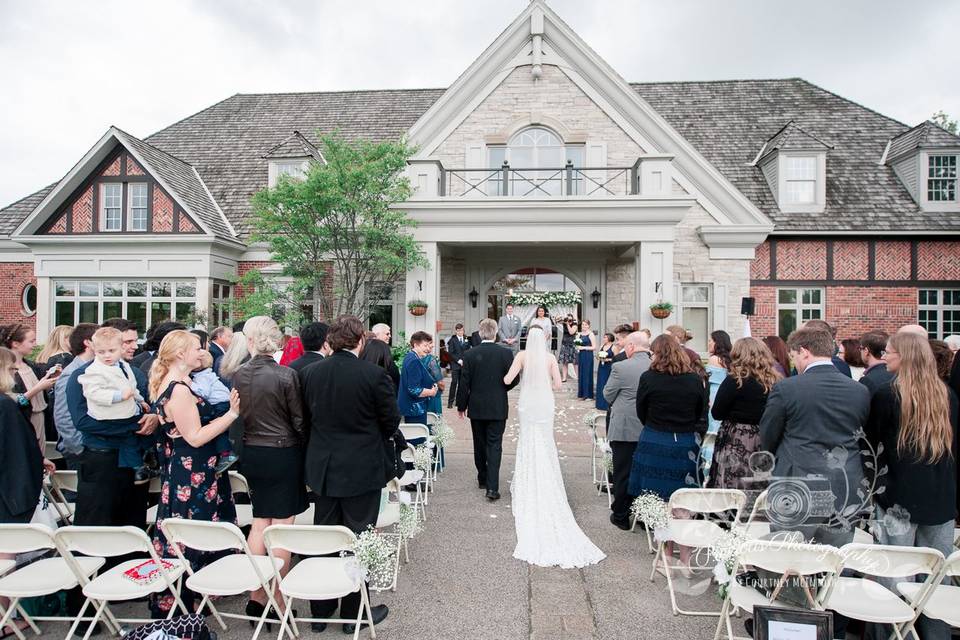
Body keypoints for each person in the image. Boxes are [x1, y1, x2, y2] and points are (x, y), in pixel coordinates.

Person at [300, 316, 396, 633]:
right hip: (361, 468)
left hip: (324, 467)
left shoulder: (311, 373)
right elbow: (390, 423)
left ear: (332, 341)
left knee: (326, 536)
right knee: (359, 538)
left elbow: (306, 419)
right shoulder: (374, 375)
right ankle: (353, 614)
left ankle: (321, 610)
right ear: (360, 341)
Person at [866, 332, 958, 640]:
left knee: (892, 577)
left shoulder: (887, 395)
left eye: (889, 352)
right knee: (935, 581)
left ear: (903, 357)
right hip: (939, 498)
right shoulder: (946, 394)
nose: (885, 357)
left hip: (896, 498)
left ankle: (893, 636)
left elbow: (871, 447)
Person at [148, 330, 241, 617]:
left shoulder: (178, 383)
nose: (201, 353)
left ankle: (194, 597)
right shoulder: (178, 389)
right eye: (196, 349)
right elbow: (195, 436)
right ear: (179, 354)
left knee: (191, 530)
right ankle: (186, 602)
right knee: (193, 532)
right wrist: (231, 415)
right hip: (193, 470)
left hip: (187, 466)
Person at [502, 324, 606, 567]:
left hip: (528, 403)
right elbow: (558, 385)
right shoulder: (549, 358)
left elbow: (508, 379)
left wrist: (523, 378)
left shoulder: (521, 356)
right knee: (545, 441)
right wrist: (544, 382)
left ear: (529, 339)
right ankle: (546, 477)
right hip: (544, 403)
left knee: (528, 441)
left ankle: (527, 481)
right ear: (546, 339)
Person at [759, 326, 870, 547]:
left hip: (797, 483)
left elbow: (768, 434)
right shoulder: (858, 390)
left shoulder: (787, 388)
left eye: (793, 357)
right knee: (833, 562)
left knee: (789, 558)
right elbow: (861, 432)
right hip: (845, 484)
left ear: (804, 351)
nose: (794, 363)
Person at [229, 316, 307, 619]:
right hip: (282, 452)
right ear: (276, 340)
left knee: (261, 520)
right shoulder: (286, 375)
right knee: (283, 525)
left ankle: (255, 595)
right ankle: (277, 599)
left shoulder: (239, 374)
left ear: (250, 340)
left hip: (253, 451)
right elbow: (298, 420)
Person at [629, 335, 707, 571]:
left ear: (657, 354)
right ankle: (685, 560)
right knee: (683, 501)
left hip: (655, 439)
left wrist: (655, 424)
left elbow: (640, 410)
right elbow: (700, 412)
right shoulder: (694, 380)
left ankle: (666, 556)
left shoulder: (649, 377)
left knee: (659, 501)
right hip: (684, 442)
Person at [457, 318, 518, 500]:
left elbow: (464, 383)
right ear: (496, 333)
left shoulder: (469, 354)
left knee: (480, 443)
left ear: (480, 332)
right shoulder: (505, 354)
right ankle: (492, 488)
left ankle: (483, 478)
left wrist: (462, 405)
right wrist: (501, 389)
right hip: (498, 405)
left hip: (476, 406)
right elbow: (514, 379)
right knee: (495, 445)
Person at [708, 337, 778, 490]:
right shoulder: (774, 381)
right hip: (763, 436)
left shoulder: (735, 380)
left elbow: (717, 413)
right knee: (758, 482)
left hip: (737, 437)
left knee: (732, 481)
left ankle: (731, 513)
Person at [603, 331, 651, 530]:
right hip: (648, 426)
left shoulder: (621, 367)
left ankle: (621, 515)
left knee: (622, 471)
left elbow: (607, 394)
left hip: (624, 427)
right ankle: (643, 515)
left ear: (631, 346)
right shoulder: (657, 365)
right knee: (645, 472)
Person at [0, 323, 59, 448]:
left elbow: (39, 392)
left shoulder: (31, 366)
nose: (35, 344)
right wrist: (39, 387)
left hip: (40, 417)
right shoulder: (6, 371)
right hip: (25, 418)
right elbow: (15, 400)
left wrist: (49, 380)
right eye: (31, 341)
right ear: (16, 343)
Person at [53, 323, 99, 471]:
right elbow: (63, 415)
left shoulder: (94, 368)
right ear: (88, 343)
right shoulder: (71, 373)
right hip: (81, 450)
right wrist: (81, 449)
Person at [77, 327, 145, 421]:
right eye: (101, 352)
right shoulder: (93, 370)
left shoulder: (124, 365)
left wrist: (140, 400)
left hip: (127, 413)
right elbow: (93, 393)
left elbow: (131, 387)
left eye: (112, 351)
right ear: (95, 351)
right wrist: (119, 395)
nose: (107, 355)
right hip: (107, 418)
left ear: (122, 348)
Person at [191, 350, 238, 472]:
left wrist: (189, 384)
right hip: (223, 403)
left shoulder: (203, 377)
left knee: (219, 430)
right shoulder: (207, 374)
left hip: (220, 405)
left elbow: (203, 393)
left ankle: (226, 454)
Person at [702, 330, 732, 482]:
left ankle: (707, 467)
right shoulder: (730, 360)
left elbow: (706, 381)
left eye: (711, 341)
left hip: (713, 394)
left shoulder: (714, 359)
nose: (708, 343)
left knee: (710, 433)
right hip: (724, 394)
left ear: (718, 342)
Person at [397, 332, 438, 425]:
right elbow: (414, 389)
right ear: (415, 345)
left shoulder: (411, 357)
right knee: (417, 438)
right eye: (425, 345)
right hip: (414, 409)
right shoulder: (413, 361)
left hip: (413, 408)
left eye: (429, 345)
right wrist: (431, 392)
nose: (428, 349)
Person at [859, 330, 893, 397]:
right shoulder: (898, 374)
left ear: (866, 351)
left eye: (860, 348)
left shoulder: (867, 381)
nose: (859, 351)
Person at [446, 323, 470, 409]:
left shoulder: (466, 339)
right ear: (456, 331)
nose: (461, 332)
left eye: (462, 330)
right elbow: (450, 353)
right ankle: (450, 402)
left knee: (462, 384)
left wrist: (465, 360)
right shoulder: (452, 340)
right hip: (455, 365)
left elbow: (468, 350)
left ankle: (459, 401)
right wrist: (458, 360)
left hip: (464, 365)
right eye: (459, 330)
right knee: (454, 382)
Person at [575, 319, 596, 400]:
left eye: (586, 325)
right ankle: (582, 394)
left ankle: (588, 395)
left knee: (587, 373)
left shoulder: (591, 334)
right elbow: (577, 345)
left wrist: (583, 348)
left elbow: (594, 347)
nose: (584, 326)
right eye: (583, 324)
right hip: (581, 355)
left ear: (589, 326)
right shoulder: (579, 334)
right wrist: (577, 347)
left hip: (588, 355)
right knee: (581, 373)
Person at [595, 332, 615, 411]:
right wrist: (599, 358)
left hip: (609, 367)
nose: (604, 339)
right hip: (602, 367)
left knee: (607, 383)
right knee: (600, 383)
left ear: (609, 338)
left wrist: (608, 359)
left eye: (605, 337)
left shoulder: (613, 347)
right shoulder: (602, 346)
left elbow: (616, 358)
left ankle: (607, 404)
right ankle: (600, 404)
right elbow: (597, 356)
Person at [558, 316, 578, 382]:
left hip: (572, 345)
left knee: (575, 363)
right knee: (564, 362)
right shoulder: (564, 323)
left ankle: (578, 377)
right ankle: (564, 378)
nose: (569, 320)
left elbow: (571, 332)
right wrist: (561, 318)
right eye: (568, 319)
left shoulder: (575, 325)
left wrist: (567, 324)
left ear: (572, 319)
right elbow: (557, 321)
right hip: (564, 345)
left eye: (570, 319)